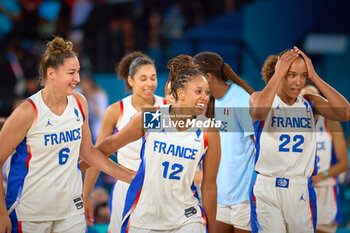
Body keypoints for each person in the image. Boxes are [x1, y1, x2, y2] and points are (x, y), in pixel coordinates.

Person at [0, 36, 134, 233]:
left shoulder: (80, 103)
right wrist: (1, 211)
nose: (78, 79)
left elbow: (88, 153)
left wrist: (132, 177)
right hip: (29, 211)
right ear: (51, 73)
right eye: (71, 73)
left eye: (78, 72)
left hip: (70, 209)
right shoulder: (27, 111)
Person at [94, 54, 221, 233]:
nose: (205, 97)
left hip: (186, 216)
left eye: (207, 92)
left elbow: (209, 185)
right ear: (181, 94)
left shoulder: (209, 129)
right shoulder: (153, 116)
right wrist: (123, 175)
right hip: (143, 209)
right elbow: (101, 150)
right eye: (199, 92)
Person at [249, 46, 350, 233]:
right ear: (279, 74)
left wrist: (316, 77)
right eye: (292, 75)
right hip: (268, 187)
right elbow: (259, 112)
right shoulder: (260, 99)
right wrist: (277, 74)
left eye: (303, 76)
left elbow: (346, 112)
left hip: (300, 188)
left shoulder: (311, 103)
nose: (298, 82)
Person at [83, 51, 167, 232]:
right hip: (126, 187)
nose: (150, 83)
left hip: (160, 188)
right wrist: (85, 195)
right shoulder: (116, 110)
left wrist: (242, 117)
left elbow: (215, 122)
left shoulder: (167, 107)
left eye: (153, 77)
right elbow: (98, 154)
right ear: (130, 80)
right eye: (143, 78)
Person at [193, 51, 255, 233]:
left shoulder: (241, 99)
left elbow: (258, 145)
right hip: (220, 195)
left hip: (243, 196)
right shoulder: (210, 103)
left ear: (209, 77)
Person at [301, 85, 349, 233]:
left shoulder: (331, 123)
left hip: (325, 189)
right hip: (299, 189)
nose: (310, 101)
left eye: (313, 97)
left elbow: (344, 163)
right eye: (305, 97)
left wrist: (321, 175)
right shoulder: (292, 123)